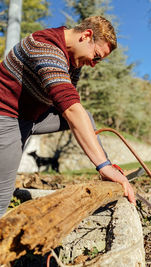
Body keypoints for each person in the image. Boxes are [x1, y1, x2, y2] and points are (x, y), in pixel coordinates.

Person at [0, 16, 135, 218]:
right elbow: (70, 108)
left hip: (33, 117)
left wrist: (104, 165)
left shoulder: (73, 62)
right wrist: (103, 165)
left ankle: (107, 171)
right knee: (2, 197)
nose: (94, 64)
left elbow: (71, 107)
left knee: (85, 116)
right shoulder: (44, 46)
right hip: (7, 116)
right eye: (96, 56)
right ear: (86, 35)